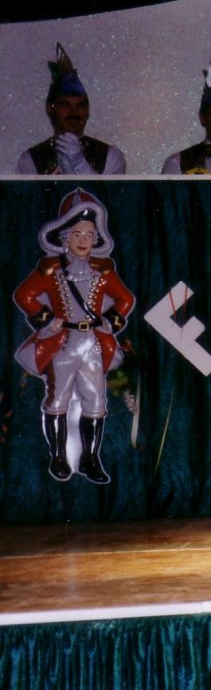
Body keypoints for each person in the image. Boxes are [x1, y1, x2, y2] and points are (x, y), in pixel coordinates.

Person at [13, 190, 135, 484]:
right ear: (64, 237)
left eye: (89, 234)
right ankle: (58, 457)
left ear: (96, 238)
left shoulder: (103, 272)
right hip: (63, 345)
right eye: (77, 234)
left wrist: (109, 322)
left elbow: (126, 299)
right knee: (57, 398)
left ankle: (90, 459)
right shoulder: (51, 270)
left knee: (96, 401)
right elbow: (24, 295)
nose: (83, 240)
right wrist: (47, 319)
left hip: (92, 345)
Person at [10, 43, 127, 175]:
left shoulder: (110, 156)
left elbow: (106, 189)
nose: (74, 112)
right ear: (50, 108)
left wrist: (80, 164)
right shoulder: (30, 159)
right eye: (65, 105)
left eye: (81, 105)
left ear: (88, 111)